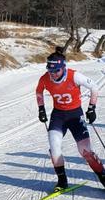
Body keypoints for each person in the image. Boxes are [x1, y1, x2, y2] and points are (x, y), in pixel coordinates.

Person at [36, 48, 105, 191]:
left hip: (75, 116)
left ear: (63, 67)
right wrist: (41, 108)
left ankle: (103, 177)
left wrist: (91, 107)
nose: (53, 74)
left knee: (85, 151)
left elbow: (94, 87)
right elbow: (39, 91)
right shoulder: (45, 78)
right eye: (50, 71)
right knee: (54, 149)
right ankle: (62, 181)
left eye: (56, 71)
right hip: (58, 116)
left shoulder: (74, 76)